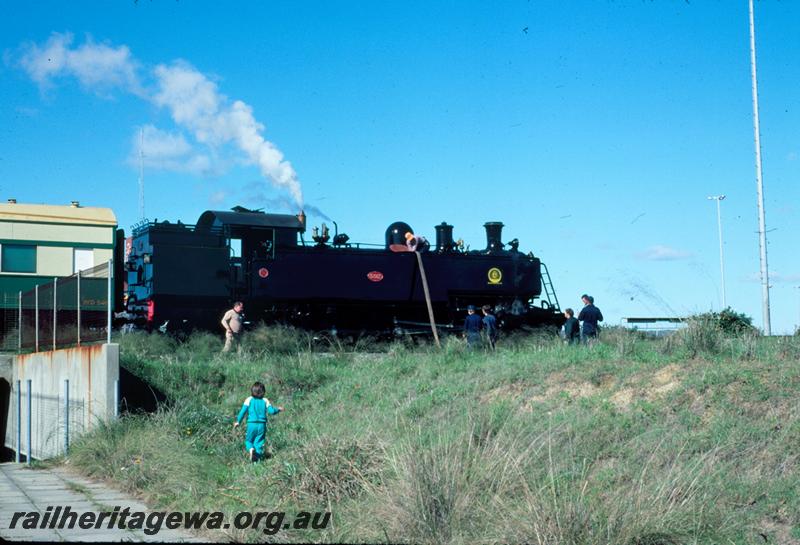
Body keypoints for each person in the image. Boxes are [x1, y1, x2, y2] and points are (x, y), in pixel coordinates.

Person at [233, 382, 283, 462]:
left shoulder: (249, 399)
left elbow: (242, 412)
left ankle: (251, 449)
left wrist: (238, 421)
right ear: (263, 392)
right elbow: (272, 411)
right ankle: (257, 461)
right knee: (259, 443)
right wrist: (278, 409)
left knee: (249, 441)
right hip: (262, 426)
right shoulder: (265, 400)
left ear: (252, 391)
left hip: (251, 425)